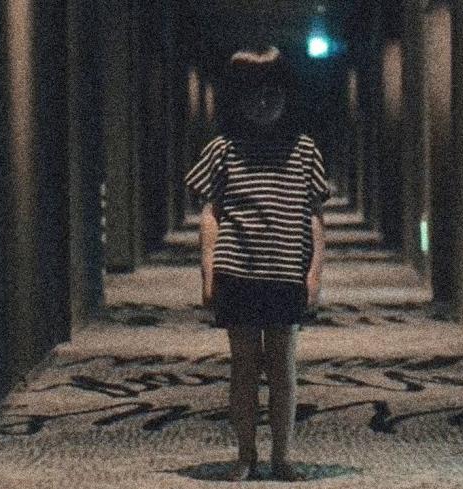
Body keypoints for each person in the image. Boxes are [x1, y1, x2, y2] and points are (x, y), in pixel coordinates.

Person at [183, 46, 330, 482]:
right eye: (253, 95)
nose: (263, 104)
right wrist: (208, 271)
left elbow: (314, 217)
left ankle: (282, 455)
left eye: (272, 94)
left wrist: (314, 273)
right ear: (238, 99)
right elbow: (211, 214)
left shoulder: (304, 150)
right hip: (237, 270)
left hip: (285, 272)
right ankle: (245, 454)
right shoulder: (223, 150)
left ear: (286, 96)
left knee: (283, 367)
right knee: (244, 367)